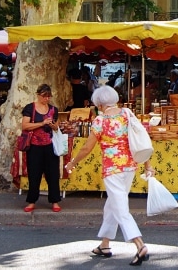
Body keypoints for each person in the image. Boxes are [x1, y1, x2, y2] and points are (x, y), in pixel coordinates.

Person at [64, 85, 154, 265]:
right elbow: (141, 139)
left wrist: (72, 162)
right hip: (130, 166)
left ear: (99, 103)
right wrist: (147, 165)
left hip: (112, 169)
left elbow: (87, 147)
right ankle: (105, 244)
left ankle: (139, 244)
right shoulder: (127, 114)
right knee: (112, 205)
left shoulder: (100, 121)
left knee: (120, 208)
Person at [21, 84, 61, 213]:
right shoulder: (30, 108)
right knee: (34, 174)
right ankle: (32, 201)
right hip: (34, 146)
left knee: (53, 174)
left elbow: (56, 127)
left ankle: (55, 201)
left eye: (49, 96)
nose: (46, 99)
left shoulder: (54, 109)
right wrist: (41, 123)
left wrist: (53, 125)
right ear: (38, 95)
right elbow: (25, 126)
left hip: (50, 145)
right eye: (44, 96)